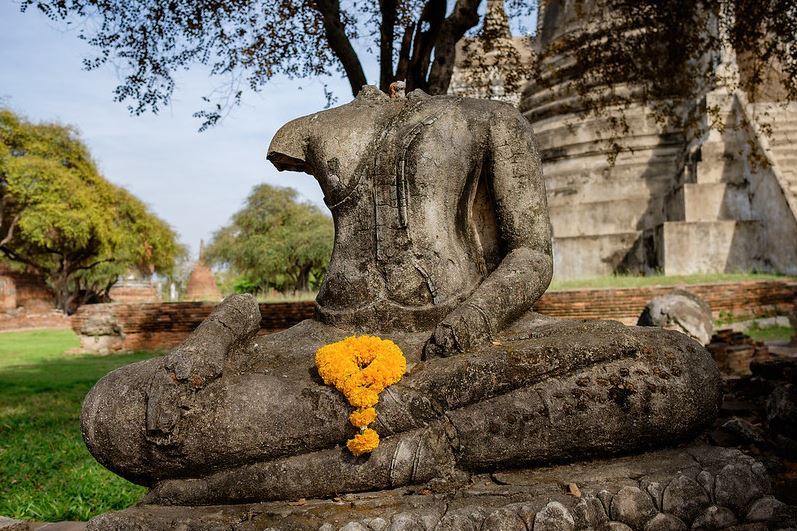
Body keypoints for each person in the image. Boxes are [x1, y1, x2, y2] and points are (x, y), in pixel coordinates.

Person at [81, 87, 720, 506]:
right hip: (322, 344)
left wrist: (478, 316)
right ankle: (416, 449)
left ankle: (407, 452)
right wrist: (215, 338)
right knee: (114, 413)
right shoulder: (320, 125)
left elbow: (531, 254)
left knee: (675, 373)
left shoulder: (492, 119)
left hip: (468, 338)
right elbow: (242, 311)